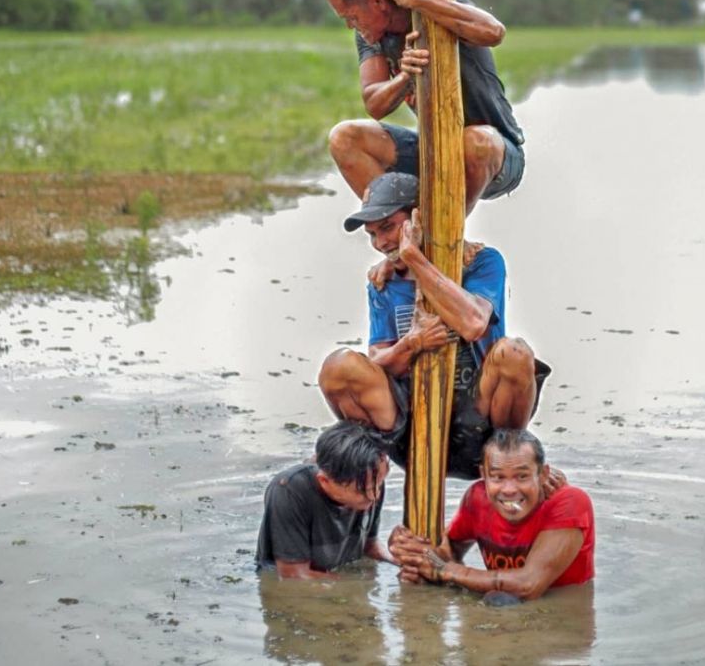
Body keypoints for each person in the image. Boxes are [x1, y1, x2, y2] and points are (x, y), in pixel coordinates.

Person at [317, 173, 549, 481]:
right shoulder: (384, 282)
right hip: (410, 426)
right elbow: (378, 362)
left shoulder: (482, 262)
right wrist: (412, 343)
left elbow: (473, 324)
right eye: (372, 234)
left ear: (419, 219)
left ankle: (514, 458)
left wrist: (415, 259)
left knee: (515, 353)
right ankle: (364, 471)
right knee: (339, 367)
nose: (380, 243)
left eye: (388, 227)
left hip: (479, 426)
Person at [323, 0, 524, 212]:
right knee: (344, 139)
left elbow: (494, 32)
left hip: (495, 155)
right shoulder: (371, 36)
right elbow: (374, 103)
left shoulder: (441, 7)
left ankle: (443, 231)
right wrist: (405, 77)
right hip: (434, 148)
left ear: (377, 2)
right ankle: (400, 228)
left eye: (351, 17)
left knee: (474, 142)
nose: (351, 26)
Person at [390, 428, 595, 600]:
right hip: (498, 602)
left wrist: (444, 570)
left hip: (557, 620)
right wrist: (412, 552)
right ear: (484, 476)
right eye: (497, 477)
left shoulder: (569, 503)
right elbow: (448, 552)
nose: (509, 490)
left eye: (522, 476)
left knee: (499, 601)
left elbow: (528, 585)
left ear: (543, 475)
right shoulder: (477, 499)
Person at [255, 421, 394, 578]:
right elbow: (293, 575)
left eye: (379, 483)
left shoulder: (372, 480)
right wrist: (352, 588)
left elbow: (369, 547)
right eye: (363, 490)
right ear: (325, 481)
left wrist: (398, 562)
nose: (375, 496)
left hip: (340, 570)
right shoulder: (289, 490)